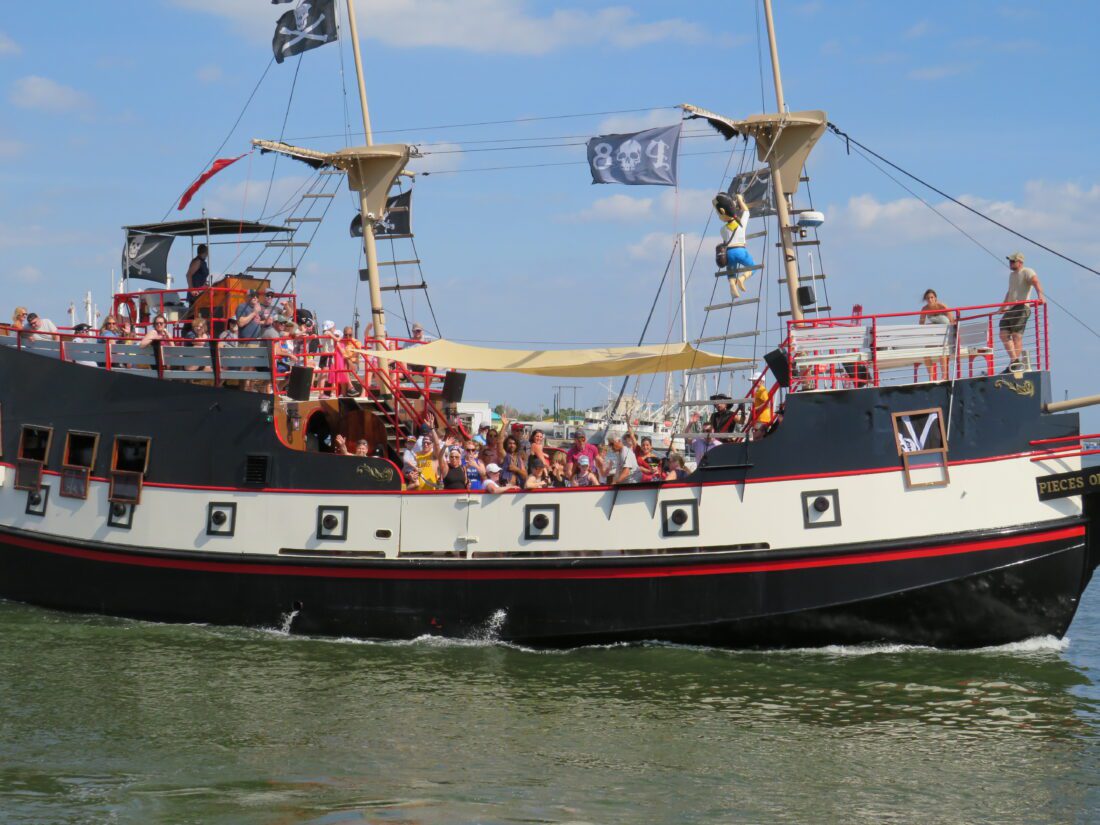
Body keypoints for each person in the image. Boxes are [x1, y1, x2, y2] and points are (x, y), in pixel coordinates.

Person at [999, 252, 1044, 372]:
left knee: (1016, 335)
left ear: (1020, 262)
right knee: (1003, 333)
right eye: (1010, 261)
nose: (1010, 263)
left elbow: (1035, 282)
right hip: (1011, 307)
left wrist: (1041, 296)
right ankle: (1014, 361)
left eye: (1013, 261)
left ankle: (1014, 363)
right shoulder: (1012, 275)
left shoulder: (1027, 271)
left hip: (1022, 306)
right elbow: (1010, 292)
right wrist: (1003, 307)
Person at [714, 191, 756, 297]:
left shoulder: (722, 229)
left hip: (729, 253)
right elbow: (746, 212)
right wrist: (740, 200)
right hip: (740, 251)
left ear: (722, 211)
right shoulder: (740, 225)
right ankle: (742, 278)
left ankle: (732, 284)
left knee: (731, 272)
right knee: (753, 267)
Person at [919, 289, 955, 381]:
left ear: (935, 298)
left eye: (932, 297)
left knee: (941, 351)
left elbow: (952, 321)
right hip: (935, 335)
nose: (930, 300)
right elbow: (921, 324)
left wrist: (954, 338)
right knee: (926, 353)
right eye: (928, 298)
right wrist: (928, 327)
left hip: (946, 335)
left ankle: (944, 376)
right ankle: (931, 377)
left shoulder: (942, 306)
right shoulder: (924, 309)